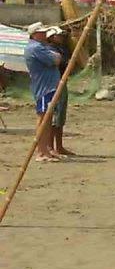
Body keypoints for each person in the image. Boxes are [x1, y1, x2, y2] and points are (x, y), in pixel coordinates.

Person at [24, 22, 63, 163]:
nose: (44, 34)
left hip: (49, 86)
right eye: (41, 32)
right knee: (43, 119)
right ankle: (41, 151)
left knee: (47, 119)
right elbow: (56, 59)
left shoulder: (41, 47)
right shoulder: (36, 48)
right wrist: (55, 56)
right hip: (44, 88)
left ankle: (46, 150)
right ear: (35, 34)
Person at [45, 27, 76, 156]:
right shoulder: (49, 50)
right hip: (53, 83)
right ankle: (50, 147)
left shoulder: (62, 49)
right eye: (59, 35)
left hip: (62, 83)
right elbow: (59, 63)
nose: (61, 37)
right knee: (54, 115)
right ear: (52, 37)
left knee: (61, 116)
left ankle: (60, 146)